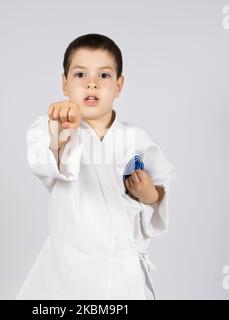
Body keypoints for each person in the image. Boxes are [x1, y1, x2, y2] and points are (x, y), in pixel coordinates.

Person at [16, 33, 176, 300]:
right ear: (64, 83)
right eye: (80, 75)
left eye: (103, 76)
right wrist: (60, 130)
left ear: (119, 85)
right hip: (69, 271)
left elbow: (160, 190)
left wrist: (149, 194)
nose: (91, 83)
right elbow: (48, 161)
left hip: (122, 269)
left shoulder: (136, 138)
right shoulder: (51, 127)